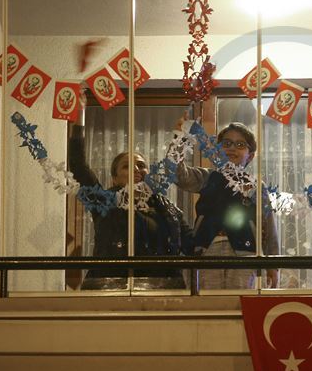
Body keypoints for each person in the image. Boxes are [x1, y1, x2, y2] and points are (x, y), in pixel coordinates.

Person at [68, 119, 194, 291]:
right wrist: (79, 120)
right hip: (110, 289)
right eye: (127, 166)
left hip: (163, 290)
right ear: (115, 178)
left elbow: (193, 246)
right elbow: (78, 166)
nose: (136, 169)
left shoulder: (168, 209)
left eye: (141, 165)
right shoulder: (104, 201)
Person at [174, 120, 279, 290]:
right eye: (226, 143)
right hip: (207, 249)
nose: (232, 148)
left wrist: (273, 264)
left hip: (245, 252)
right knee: (209, 307)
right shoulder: (207, 177)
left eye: (240, 144)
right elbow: (178, 175)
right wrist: (180, 139)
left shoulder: (255, 186)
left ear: (250, 156)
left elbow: (268, 225)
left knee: (241, 306)